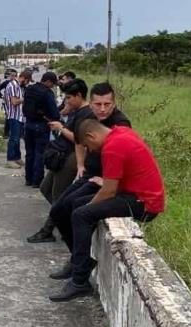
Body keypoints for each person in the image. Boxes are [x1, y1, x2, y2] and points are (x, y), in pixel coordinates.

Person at [49, 119, 165, 301]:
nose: (92, 150)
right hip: (133, 193)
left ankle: (80, 281)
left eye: (88, 146)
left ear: (91, 136)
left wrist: (90, 206)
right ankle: (80, 262)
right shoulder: (121, 132)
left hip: (144, 203)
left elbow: (109, 190)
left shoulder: (112, 147)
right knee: (76, 204)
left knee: (82, 214)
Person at [46, 81, 132, 276]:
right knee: (58, 210)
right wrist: (80, 165)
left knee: (77, 209)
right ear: (91, 103)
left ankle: (79, 268)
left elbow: (127, 157)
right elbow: (78, 140)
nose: (102, 109)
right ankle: (79, 260)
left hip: (105, 178)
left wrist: (110, 182)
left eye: (107, 104)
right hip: (88, 174)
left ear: (114, 103)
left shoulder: (121, 124)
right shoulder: (87, 117)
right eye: (98, 104)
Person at [26, 78, 89, 243]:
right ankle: (63, 218)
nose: (66, 101)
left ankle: (48, 230)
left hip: (71, 158)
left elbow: (80, 139)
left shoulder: (86, 114)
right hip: (61, 155)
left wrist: (61, 129)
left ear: (79, 96)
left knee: (58, 197)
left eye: (69, 98)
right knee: (45, 188)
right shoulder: (75, 111)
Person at [22, 71, 60, 187]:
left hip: (28, 124)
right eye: (52, 84)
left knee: (29, 153)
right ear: (48, 81)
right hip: (41, 125)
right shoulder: (47, 93)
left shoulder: (29, 89)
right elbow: (54, 112)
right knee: (40, 153)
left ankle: (28, 179)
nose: (53, 86)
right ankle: (37, 181)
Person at [4, 69, 25, 169]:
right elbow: (14, 102)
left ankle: (17, 157)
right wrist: (24, 99)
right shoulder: (13, 86)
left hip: (19, 116)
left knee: (17, 139)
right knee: (14, 138)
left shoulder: (17, 86)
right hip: (14, 116)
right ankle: (10, 159)